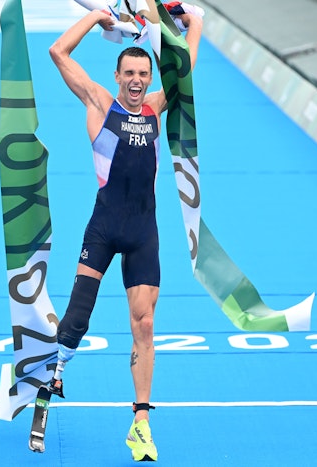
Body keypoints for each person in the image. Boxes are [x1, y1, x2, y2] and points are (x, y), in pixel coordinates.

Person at [47, 6, 203, 462]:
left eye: (143, 74)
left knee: (145, 324)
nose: (136, 81)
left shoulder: (154, 106)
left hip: (142, 232)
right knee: (78, 319)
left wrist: (194, 22)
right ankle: (54, 370)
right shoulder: (99, 103)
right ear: (117, 76)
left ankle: (141, 422)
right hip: (103, 227)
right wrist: (97, 16)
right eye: (129, 73)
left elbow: (184, 67)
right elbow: (58, 51)